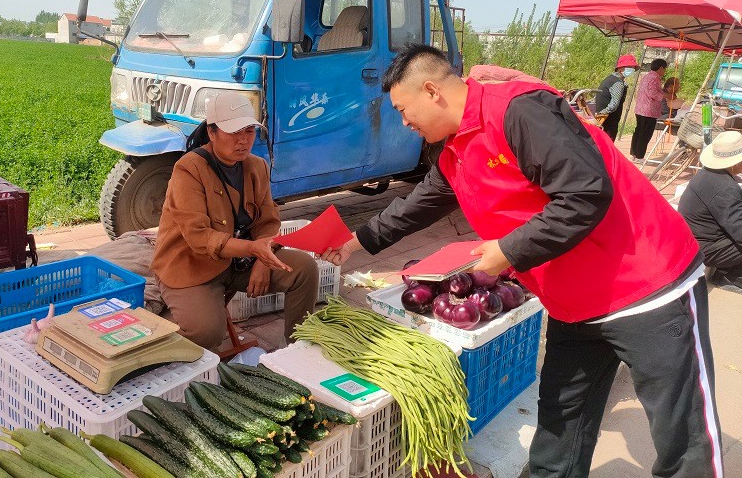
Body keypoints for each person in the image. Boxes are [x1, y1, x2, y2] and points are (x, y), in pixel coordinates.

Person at [323, 44, 722, 478]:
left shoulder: (518, 111)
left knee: (681, 433)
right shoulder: (454, 147)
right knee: (561, 421)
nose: (403, 121)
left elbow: (585, 194)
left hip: (645, 285)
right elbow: (423, 201)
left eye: (403, 108)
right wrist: (357, 240)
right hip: (573, 298)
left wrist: (509, 250)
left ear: (432, 90)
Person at [151, 91, 319, 351]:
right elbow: (199, 237)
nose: (243, 141)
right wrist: (254, 250)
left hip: (240, 261)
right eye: (233, 132)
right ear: (212, 132)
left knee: (304, 269)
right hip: (193, 265)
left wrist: (263, 259)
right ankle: (164, 325)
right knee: (205, 333)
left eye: (249, 131)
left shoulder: (257, 166)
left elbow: (267, 222)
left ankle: (298, 349)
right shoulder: (189, 169)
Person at [679, 130, 742, 291]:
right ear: (734, 163)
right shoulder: (725, 188)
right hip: (704, 247)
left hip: (698, 238)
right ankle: (730, 277)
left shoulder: (709, 174)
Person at [630, 58, 668, 160]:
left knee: (638, 131)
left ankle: (634, 154)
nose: (664, 72)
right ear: (660, 68)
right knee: (645, 134)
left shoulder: (646, 76)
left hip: (640, 109)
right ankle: (639, 156)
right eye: (664, 69)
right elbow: (652, 93)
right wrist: (665, 96)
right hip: (648, 111)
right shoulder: (654, 78)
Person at [595, 54, 638, 141]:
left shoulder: (609, 78)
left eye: (633, 68)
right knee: (607, 144)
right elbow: (614, 105)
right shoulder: (618, 83)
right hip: (608, 119)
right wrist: (601, 115)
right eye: (629, 67)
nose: (632, 70)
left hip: (602, 116)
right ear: (620, 68)